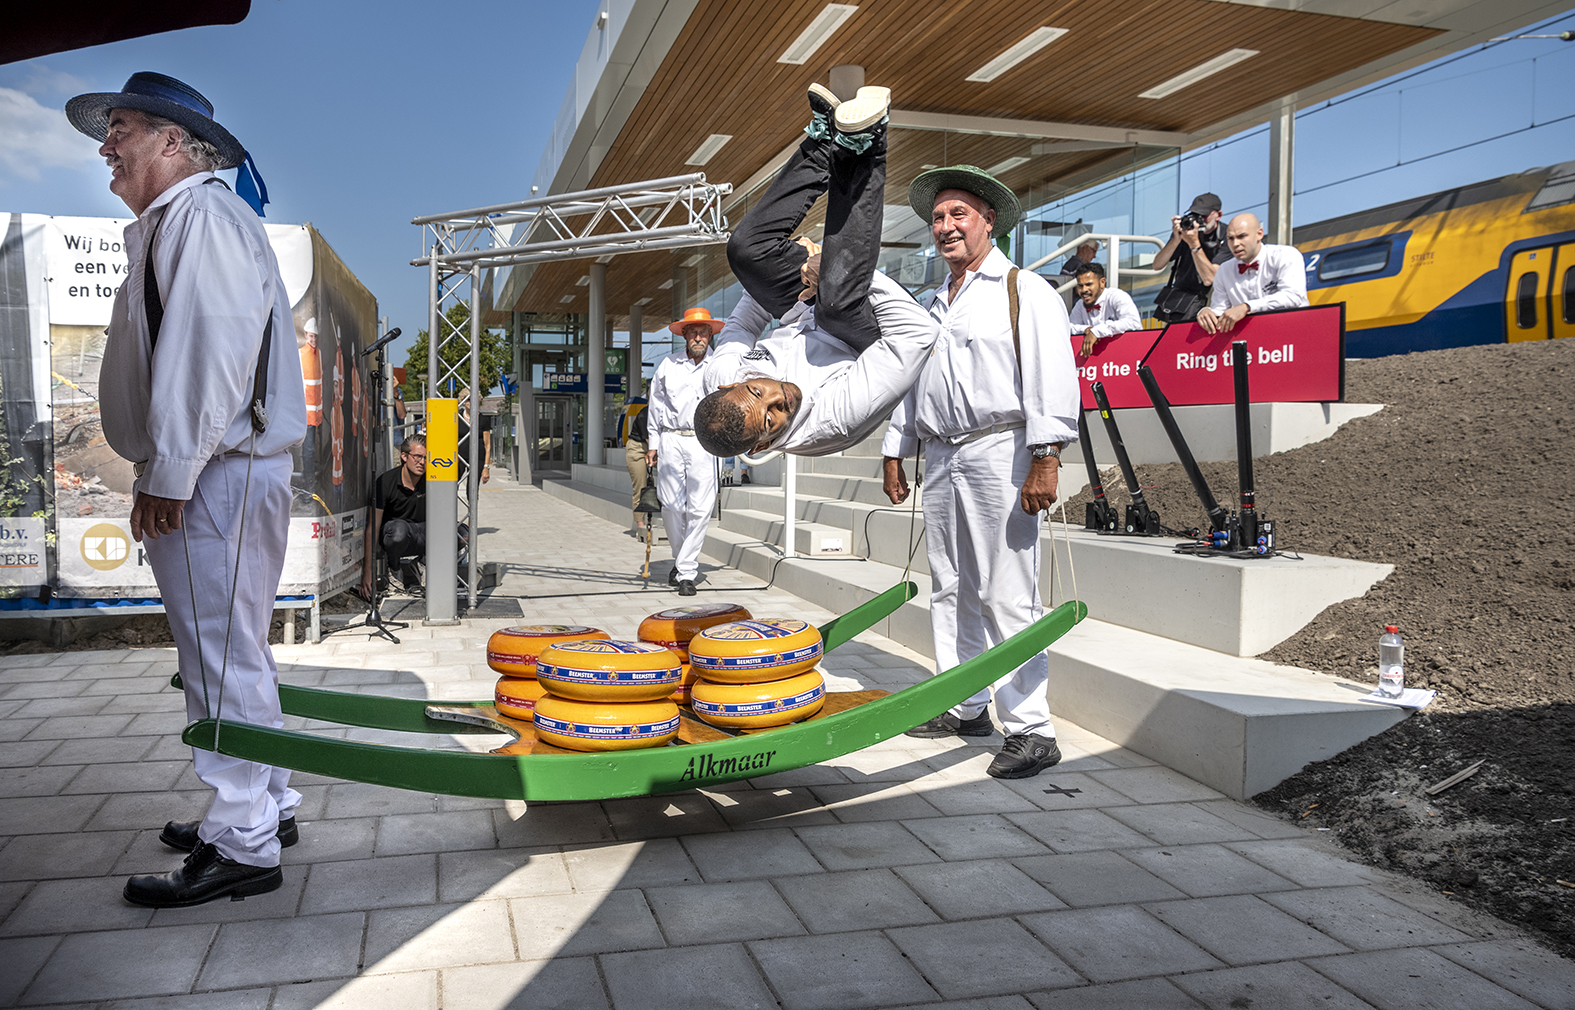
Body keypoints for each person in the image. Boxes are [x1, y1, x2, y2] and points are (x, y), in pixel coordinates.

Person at [68, 72, 307, 905]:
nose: (106, 145)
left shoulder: (198, 215)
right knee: (232, 649)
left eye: (122, 128)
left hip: (214, 471)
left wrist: (169, 471)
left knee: (219, 654)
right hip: (223, 468)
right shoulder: (188, 219)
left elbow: (208, 351)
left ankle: (243, 840)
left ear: (172, 141)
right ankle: (263, 806)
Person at [881, 163, 1079, 780]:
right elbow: (911, 383)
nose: (945, 227)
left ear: (988, 221)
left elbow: (1052, 375)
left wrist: (1046, 457)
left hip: (1003, 450)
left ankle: (1032, 728)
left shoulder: (1023, 290)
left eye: (958, 214)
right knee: (950, 584)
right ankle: (964, 704)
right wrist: (896, 447)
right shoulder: (930, 302)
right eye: (937, 218)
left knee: (1006, 591)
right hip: (941, 455)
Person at [695, 84, 938, 459]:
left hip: (808, 305)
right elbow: (917, 334)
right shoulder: (836, 421)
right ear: (763, 443)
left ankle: (823, 142)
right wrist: (829, 269)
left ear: (728, 385)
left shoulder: (720, 376)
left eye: (758, 392)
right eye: (772, 420)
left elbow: (743, 325)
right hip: (870, 330)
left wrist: (778, 270)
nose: (780, 398)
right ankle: (866, 147)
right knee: (837, 301)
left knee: (745, 252)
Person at [649, 309, 720, 595]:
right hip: (671, 439)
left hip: (705, 441)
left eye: (703, 331)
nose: (698, 337)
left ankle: (687, 571)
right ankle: (681, 563)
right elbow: (655, 405)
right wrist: (652, 443)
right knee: (672, 506)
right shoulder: (668, 364)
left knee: (701, 508)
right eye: (693, 332)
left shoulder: (720, 365)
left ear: (710, 334)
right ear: (684, 335)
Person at [1198, 212, 1310, 334]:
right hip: (1253, 339)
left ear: (1259, 234)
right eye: (1230, 238)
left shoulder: (1286, 255)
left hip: (1294, 332)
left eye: (1242, 236)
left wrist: (1247, 307)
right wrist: (1206, 313)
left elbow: (1293, 296)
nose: (1235, 244)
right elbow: (1220, 310)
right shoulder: (1224, 270)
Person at [360, 434, 427, 597]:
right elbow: (373, 528)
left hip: (425, 533)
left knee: (462, 535)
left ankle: (423, 566)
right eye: (417, 457)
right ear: (404, 456)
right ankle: (395, 573)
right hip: (397, 535)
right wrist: (368, 572)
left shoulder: (433, 479)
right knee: (399, 530)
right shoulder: (386, 482)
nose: (422, 462)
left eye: (426, 457)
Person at [1149, 193, 1230, 323]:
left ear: (1218, 215)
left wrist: (1194, 244)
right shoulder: (1186, 231)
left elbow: (1209, 279)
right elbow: (1157, 265)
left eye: (1204, 216)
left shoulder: (1226, 235)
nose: (1199, 220)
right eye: (1195, 215)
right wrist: (1176, 239)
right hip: (1181, 300)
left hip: (1213, 300)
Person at [1069, 263, 1143, 357]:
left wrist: (1098, 331)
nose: (1084, 290)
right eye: (1080, 286)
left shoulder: (1117, 296)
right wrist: (1086, 329)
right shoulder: (1080, 305)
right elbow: (1069, 328)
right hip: (1096, 364)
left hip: (1126, 357)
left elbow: (1133, 323)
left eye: (1089, 284)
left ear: (1102, 282)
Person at [624, 400, 651, 534]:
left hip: (656, 448)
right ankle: (641, 526)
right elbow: (649, 441)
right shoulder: (644, 414)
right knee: (640, 487)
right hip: (638, 449)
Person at [456, 388, 492, 485]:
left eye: (473, 399)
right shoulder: (456, 418)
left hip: (477, 457)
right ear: (462, 400)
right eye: (467, 399)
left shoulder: (483, 420)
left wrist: (486, 467)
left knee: (472, 489)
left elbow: (487, 445)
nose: (470, 402)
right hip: (459, 457)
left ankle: (471, 501)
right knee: (453, 486)